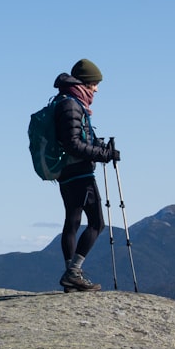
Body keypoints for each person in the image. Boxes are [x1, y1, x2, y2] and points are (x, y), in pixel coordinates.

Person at [52, 59, 120, 293]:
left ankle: (71, 275)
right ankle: (73, 272)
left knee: (72, 222)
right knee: (97, 223)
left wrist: (97, 146)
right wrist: (104, 155)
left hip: (66, 173)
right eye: (94, 84)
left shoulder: (65, 101)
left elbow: (74, 139)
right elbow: (73, 144)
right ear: (84, 83)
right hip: (79, 173)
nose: (96, 89)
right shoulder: (72, 105)